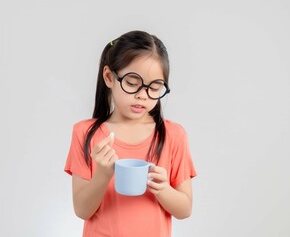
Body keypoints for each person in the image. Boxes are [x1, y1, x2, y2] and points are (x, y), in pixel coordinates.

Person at [64, 30, 197, 237]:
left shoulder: (173, 135)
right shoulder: (85, 133)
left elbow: (185, 209)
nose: (142, 95)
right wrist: (103, 174)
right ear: (109, 77)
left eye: (154, 87)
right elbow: (82, 210)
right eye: (132, 83)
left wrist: (163, 189)